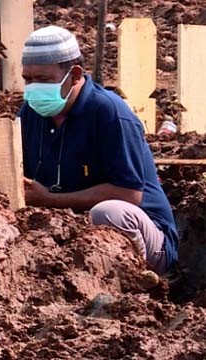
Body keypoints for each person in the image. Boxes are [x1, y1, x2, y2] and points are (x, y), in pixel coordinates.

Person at [18, 25, 178, 274]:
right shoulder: (31, 113)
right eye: (28, 79)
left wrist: (49, 200)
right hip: (73, 236)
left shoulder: (109, 114)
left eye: (43, 79)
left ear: (74, 75)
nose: (33, 88)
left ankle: (139, 281)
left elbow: (129, 195)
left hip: (146, 238)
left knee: (109, 213)